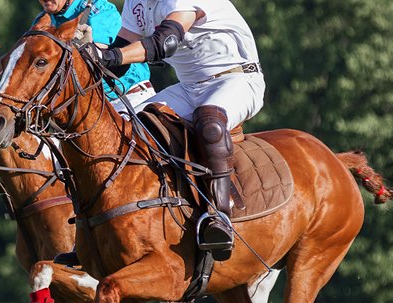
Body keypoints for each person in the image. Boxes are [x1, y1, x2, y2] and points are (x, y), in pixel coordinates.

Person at [91, 0, 265, 261]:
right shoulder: (134, 3)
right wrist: (87, 65)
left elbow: (166, 41)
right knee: (130, 126)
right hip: (189, 88)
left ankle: (220, 217)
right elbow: (122, 48)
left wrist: (110, 56)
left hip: (237, 78)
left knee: (210, 122)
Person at [37, 0, 155, 113]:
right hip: (85, 108)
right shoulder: (42, 20)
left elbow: (99, 57)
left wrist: (83, 48)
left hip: (127, 98)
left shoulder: (99, 10)